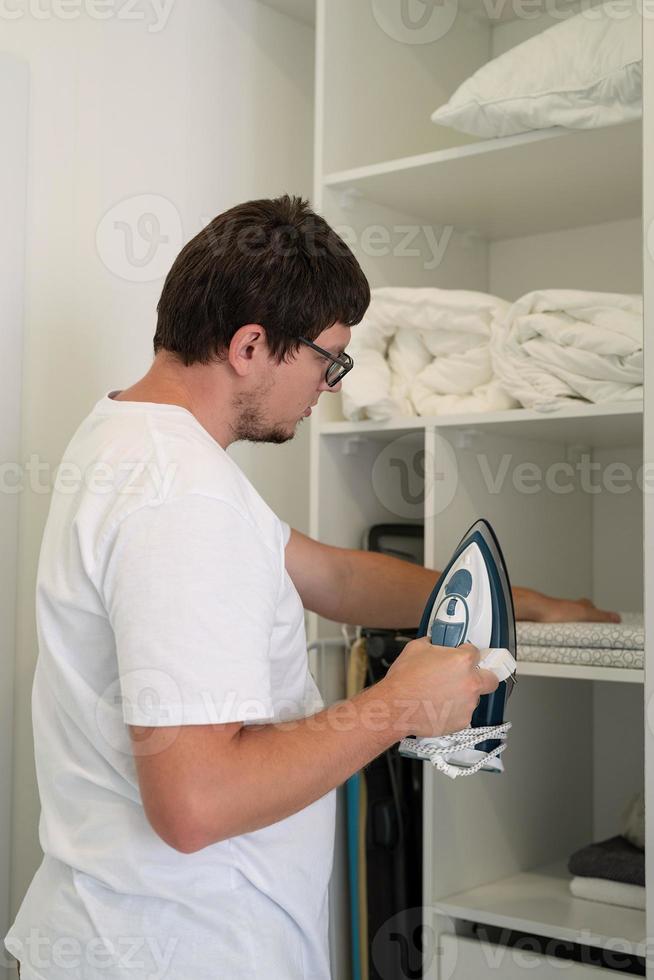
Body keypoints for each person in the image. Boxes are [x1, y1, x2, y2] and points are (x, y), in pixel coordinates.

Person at [4, 195, 619, 980]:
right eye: (329, 358)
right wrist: (400, 704)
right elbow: (197, 804)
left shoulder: (131, 436)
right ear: (251, 345)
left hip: (120, 934)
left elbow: (326, 574)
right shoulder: (181, 494)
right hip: (176, 949)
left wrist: (518, 599)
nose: (331, 384)